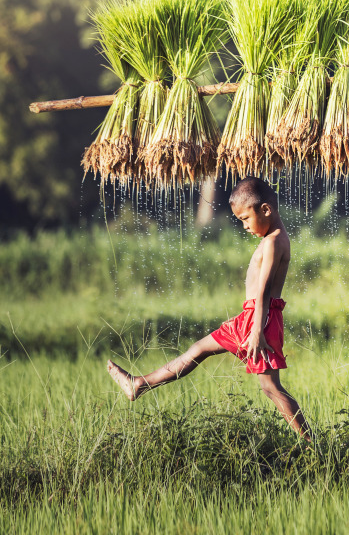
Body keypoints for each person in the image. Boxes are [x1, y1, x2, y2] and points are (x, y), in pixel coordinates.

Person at [106, 176, 311, 441]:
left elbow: (263, 292)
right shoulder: (276, 237)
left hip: (258, 319)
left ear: (266, 210)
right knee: (250, 376)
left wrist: (257, 331)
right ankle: (139, 384)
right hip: (258, 318)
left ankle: (309, 444)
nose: (245, 227)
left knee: (269, 386)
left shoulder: (272, 243)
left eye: (246, 219)